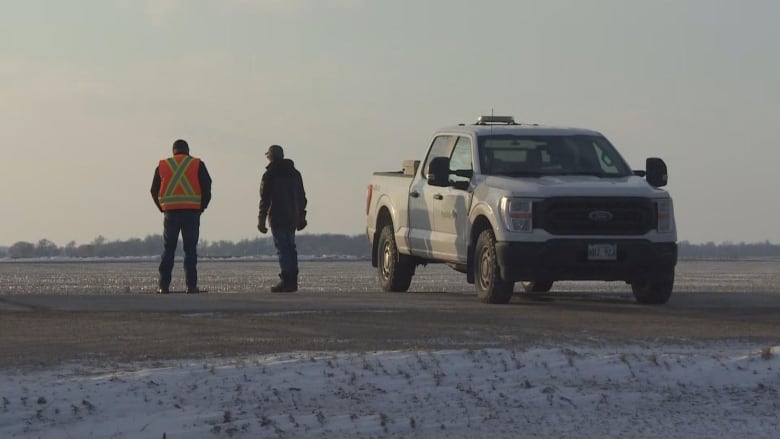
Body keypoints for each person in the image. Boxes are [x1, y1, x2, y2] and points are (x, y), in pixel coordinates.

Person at [150, 139, 212, 294]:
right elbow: (207, 186)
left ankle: (163, 286)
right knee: (190, 250)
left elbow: (153, 190)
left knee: (168, 249)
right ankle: (191, 286)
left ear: (173, 151)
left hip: (170, 213)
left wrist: (162, 207)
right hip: (191, 213)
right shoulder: (197, 164)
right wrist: (201, 207)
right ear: (187, 150)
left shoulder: (163, 165)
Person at [257, 144, 307, 292]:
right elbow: (301, 197)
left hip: (277, 216)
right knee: (290, 247)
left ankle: (287, 280)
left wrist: (261, 219)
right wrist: (302, 216)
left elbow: (264, 199)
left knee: (283, 248)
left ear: (271, 157)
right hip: (292, 216)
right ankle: (293, 279)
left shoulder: (270, 175)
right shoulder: (295, 174)